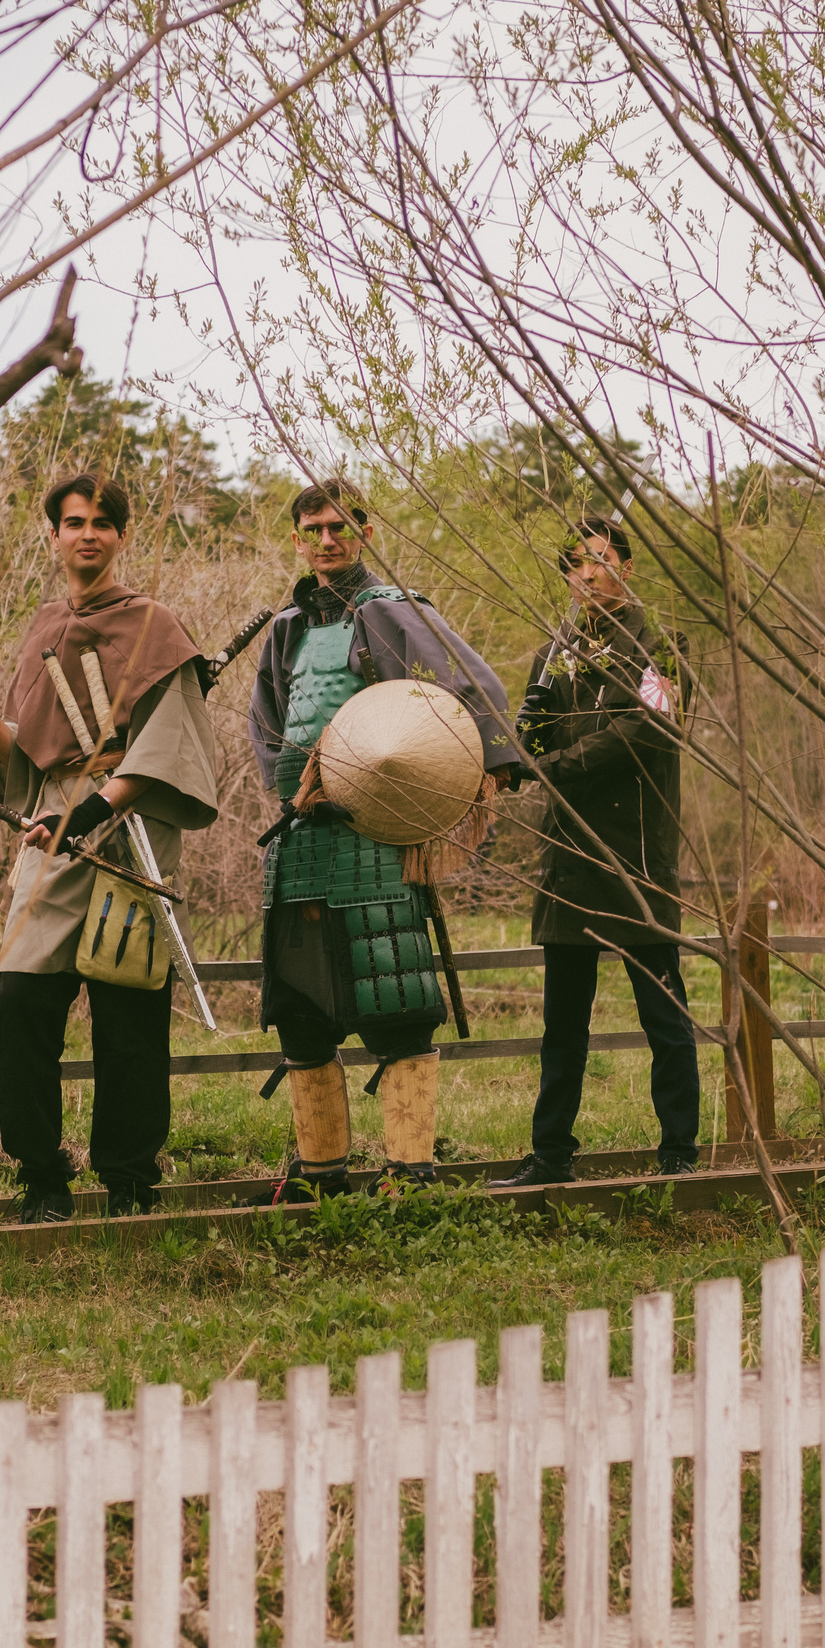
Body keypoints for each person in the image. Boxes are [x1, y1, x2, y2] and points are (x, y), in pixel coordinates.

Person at [0, 474, 220, 1222]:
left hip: (129, 834)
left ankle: (129, 1180)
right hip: (50, 835)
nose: (88, 533)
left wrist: (96, 807)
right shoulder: (43, 628)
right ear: (53, 536)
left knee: (130, 1017)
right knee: (21, 1006)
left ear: (122, 536)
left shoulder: (157, 627)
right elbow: (28, 756)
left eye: (103, 522)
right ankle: (43, 1178)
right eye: (73, 522)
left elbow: (166, 748)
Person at [248, 478, 522, 1199]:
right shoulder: (285, 627)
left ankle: (408, 1173)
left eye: (340, 526)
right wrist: (290, 789)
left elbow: (472, 686)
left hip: (377, 836)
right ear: (299, 539)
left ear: (365, 532)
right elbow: (268, 726)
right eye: (313, 529)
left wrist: (479, 771)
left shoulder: (394, 610)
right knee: (302, 1018)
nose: (327, 540)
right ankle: (322, 1180)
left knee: (397, 1007)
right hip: (299, 844)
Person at [491, 518, 700, 1188]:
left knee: (663, 1013)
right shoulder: (556, 648)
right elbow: (533, 727)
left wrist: (554, 766)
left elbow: (648, 730)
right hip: (570, 853)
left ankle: (679, 1152)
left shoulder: (661, 645)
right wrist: (517, 744)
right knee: (564, 1023)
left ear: (628, 568)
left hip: (636, 855)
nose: (585, 575)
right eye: (575, 564)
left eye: (599, 561)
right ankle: (551, 1154)